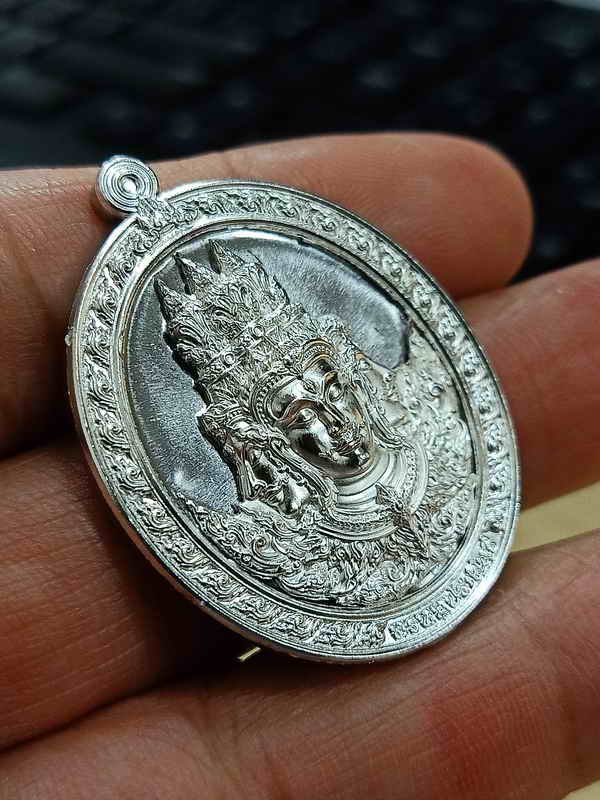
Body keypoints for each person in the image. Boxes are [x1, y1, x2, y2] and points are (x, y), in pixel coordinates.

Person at [0, 132, 598, 799]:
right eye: (299, 413)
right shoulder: (283, 548)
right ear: (260, 443)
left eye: (332, 385)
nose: (334, 418)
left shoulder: (440, 434)